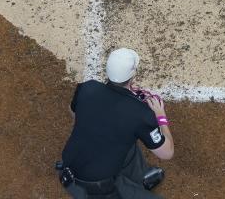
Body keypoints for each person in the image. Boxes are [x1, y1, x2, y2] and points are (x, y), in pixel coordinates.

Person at [57, 48, 173, 198]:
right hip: (95, 186)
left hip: (69, 166)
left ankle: (140, 178)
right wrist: (161, 117)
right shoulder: (140, 114)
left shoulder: (87, 87)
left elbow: (74, 113)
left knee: (125, 135)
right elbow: (167, 153)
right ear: (132, 75)